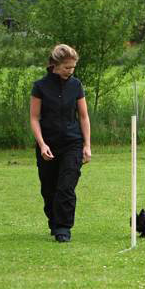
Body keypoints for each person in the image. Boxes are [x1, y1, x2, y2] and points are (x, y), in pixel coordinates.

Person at [30, 44, 92, 243]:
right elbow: (34, 118)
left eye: (73, 67)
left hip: (72, 143)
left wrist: (87, 145)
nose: (71, 71)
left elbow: (83, 116)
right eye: (67, 67)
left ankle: (63, 228)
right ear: (55, 65)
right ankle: (54, 221)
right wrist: (42, 144)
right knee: (48, 189)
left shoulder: (76, 85)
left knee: (66, 187)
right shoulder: (40, 87)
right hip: (48, 143)